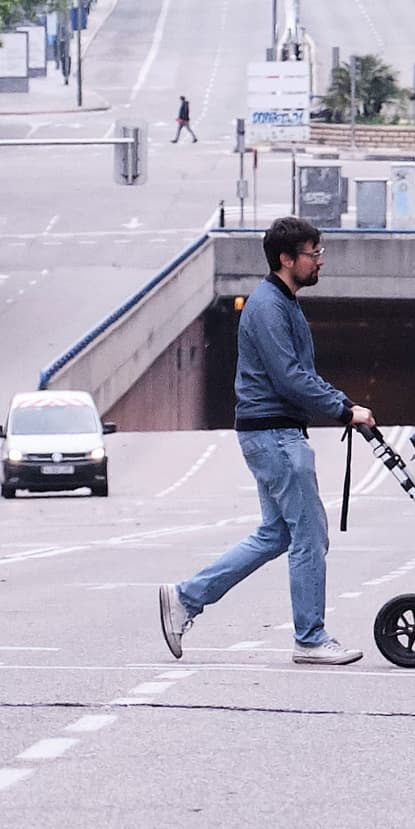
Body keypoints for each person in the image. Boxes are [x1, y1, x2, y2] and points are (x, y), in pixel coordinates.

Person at [160, 216, 372, 666]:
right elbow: (290, 377)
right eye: (313, 254)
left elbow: (303, 375)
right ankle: (310, 639)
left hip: (272, 432)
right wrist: (342, 410)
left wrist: (343, 402)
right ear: (286, 259)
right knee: (310, 536)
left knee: (277, 534)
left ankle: (185, 598)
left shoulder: (283, 303)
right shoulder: (269, 306)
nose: (320, 262)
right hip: (274, 435)